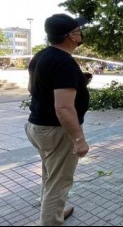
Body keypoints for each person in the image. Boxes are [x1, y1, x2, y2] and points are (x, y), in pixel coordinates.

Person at [26, 13, 90, 226]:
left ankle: (56, 211)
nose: (81, 32)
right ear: (71, 36)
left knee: (51, 175)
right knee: (59, 183)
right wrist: (78, 139)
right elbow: (63, 108)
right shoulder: (64, 62)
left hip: (37, 127)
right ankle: (51, 221)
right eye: (78, 29)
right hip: (56, 132)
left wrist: (79, 85)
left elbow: (32, 89)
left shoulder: (41, 56)